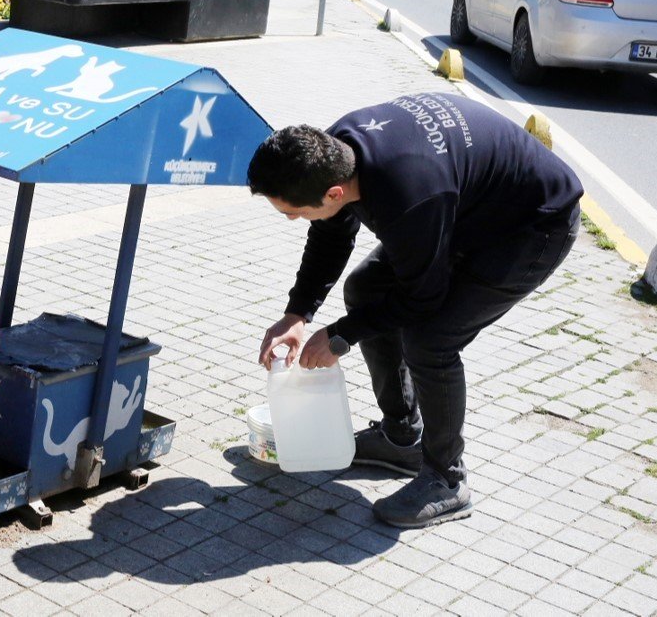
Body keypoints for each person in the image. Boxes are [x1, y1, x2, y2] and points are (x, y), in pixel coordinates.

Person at [249, 92, 583, 529]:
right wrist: (298, 314)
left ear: (333, 192)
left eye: (293, 213)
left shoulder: (407, 194)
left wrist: (340, 337)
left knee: (431, 340)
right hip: (465, 207)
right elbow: (331, 233)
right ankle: (402, 437)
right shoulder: (334, 153)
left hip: (531, 225)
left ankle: (447, 480)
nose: (294, 220)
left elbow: (423, 297)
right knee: (366, 290)